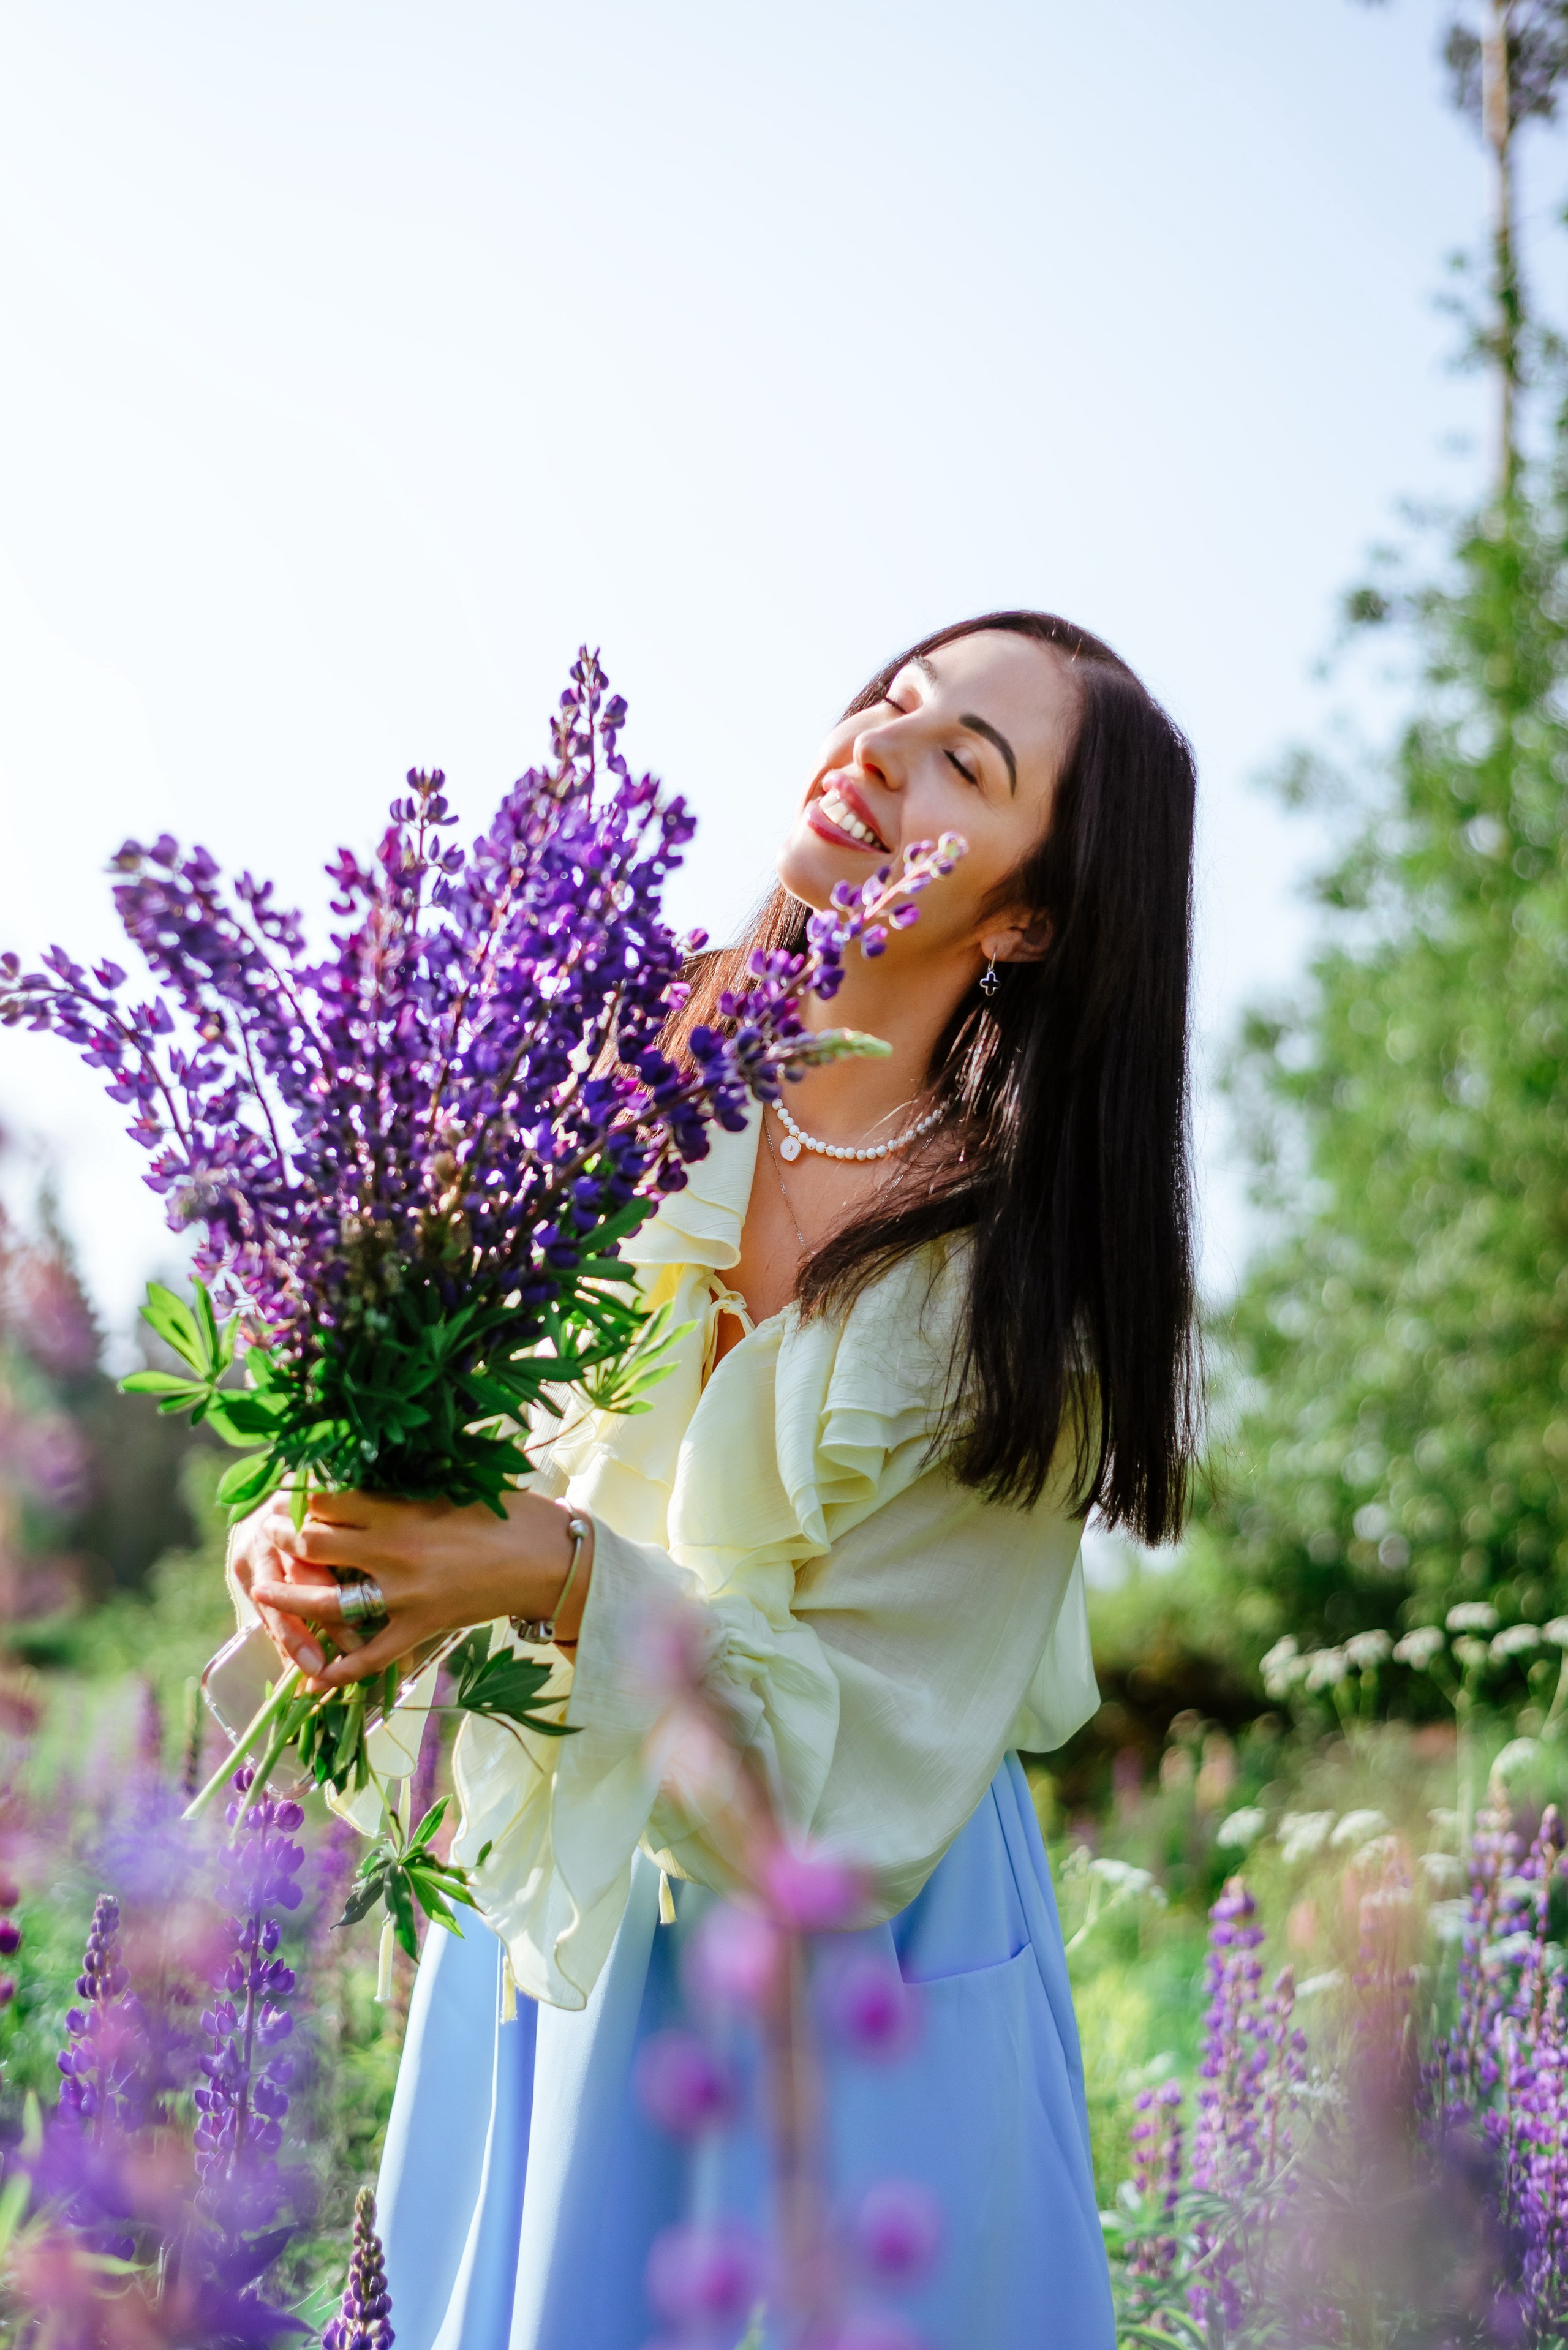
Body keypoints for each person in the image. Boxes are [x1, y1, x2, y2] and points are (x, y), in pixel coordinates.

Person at [235, 609, 1199, 2349]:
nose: (884, 748)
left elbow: (845, 1783)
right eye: (891, 702)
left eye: (962, 763)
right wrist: (331, 1537)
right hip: (562, 1948)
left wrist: (558, 1577)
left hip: (858, 1969)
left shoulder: (1023, 1306)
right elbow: (447, 1464)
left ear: (1032, 920)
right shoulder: (591, 1089)